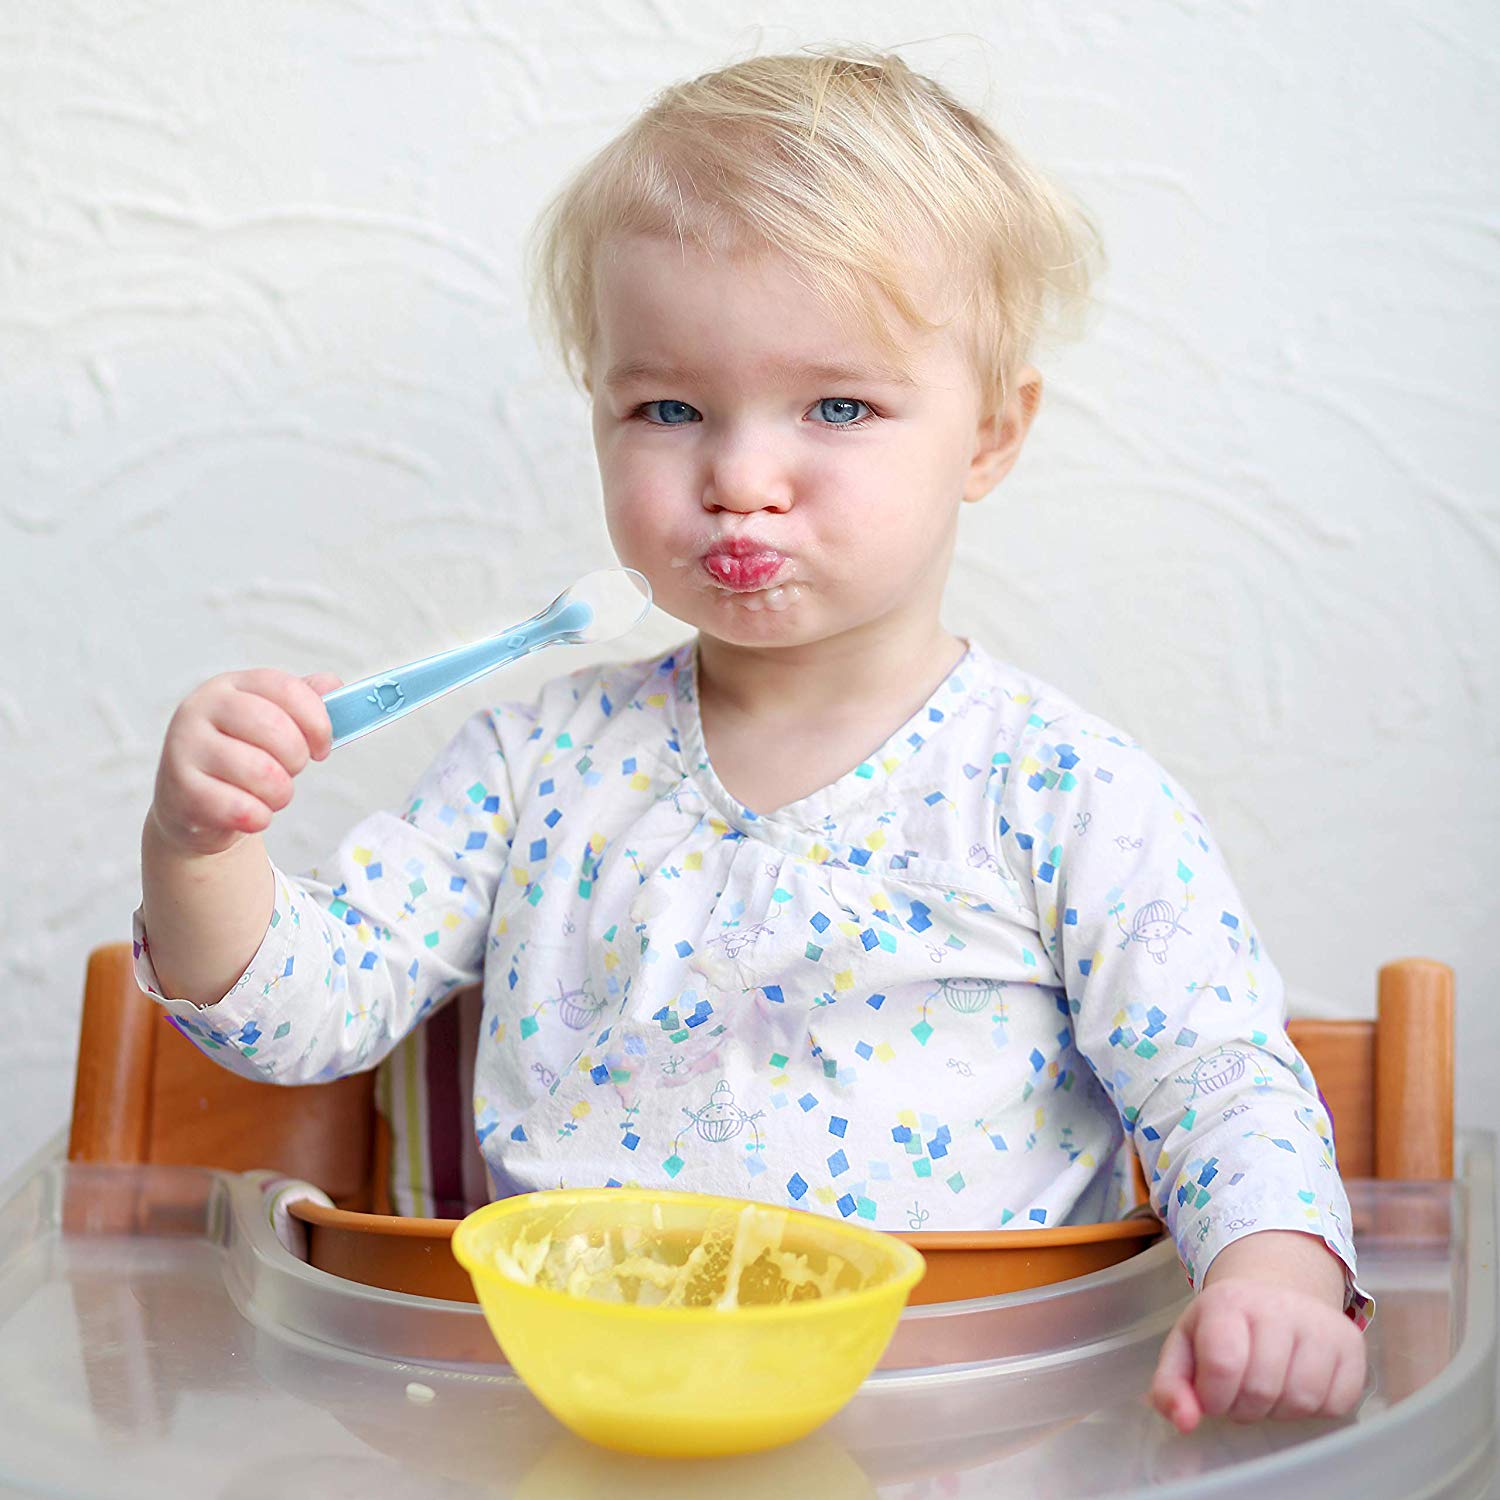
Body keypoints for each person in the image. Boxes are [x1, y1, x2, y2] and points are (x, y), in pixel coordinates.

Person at [133, 46, 1369, 1433]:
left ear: (990, 435)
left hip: (961, 1431)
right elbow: (304, 1021)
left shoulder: (1066, 792)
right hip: (580, 1420)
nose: (736, 478)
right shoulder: (534, 766)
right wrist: (202, 848)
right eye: (668, 408)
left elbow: (1213, 1074)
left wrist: (1276, 1271)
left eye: (837, 406)